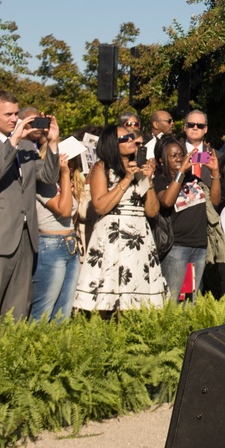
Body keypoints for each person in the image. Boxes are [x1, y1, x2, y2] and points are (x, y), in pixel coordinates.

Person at [0, 92, 61, 320]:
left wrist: (53, 144)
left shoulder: (27, 146)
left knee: (17, 311)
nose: (14, 119)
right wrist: (13, 141)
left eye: (16, 114)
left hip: (26, 238)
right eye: (8, 114)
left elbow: (47, 177)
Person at [74, 126, 167, 313]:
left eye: (132, 136)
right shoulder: (102, 167)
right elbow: (100, 206)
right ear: (112, 144)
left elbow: (152, 211)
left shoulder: (140, 167)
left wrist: (148, 182)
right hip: (112, 237)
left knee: (138, 301)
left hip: (139, 237)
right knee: (109, 299)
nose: (132, 140)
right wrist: (126, 179)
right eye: (125, 138)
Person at [154, 135, 220, 302]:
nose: (179, 159)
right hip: (177, 247)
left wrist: (215, 173)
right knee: (173, 299)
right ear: (162, 160)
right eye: (173, 155)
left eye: (181, 154)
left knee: (191, 299)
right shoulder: (159, 182)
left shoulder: (194, 180)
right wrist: (181, 172)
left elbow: (215, 201)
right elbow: (167, 201)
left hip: (199, 246)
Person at [31, 149, 84, 322]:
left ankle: (56, 348)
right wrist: (65, 174)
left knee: (63, 312)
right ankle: (34, 347)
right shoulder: (43, 182)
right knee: (43, 310)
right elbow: (65, 210)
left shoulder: (65, 180)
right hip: (50, 245)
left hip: (70, 245)